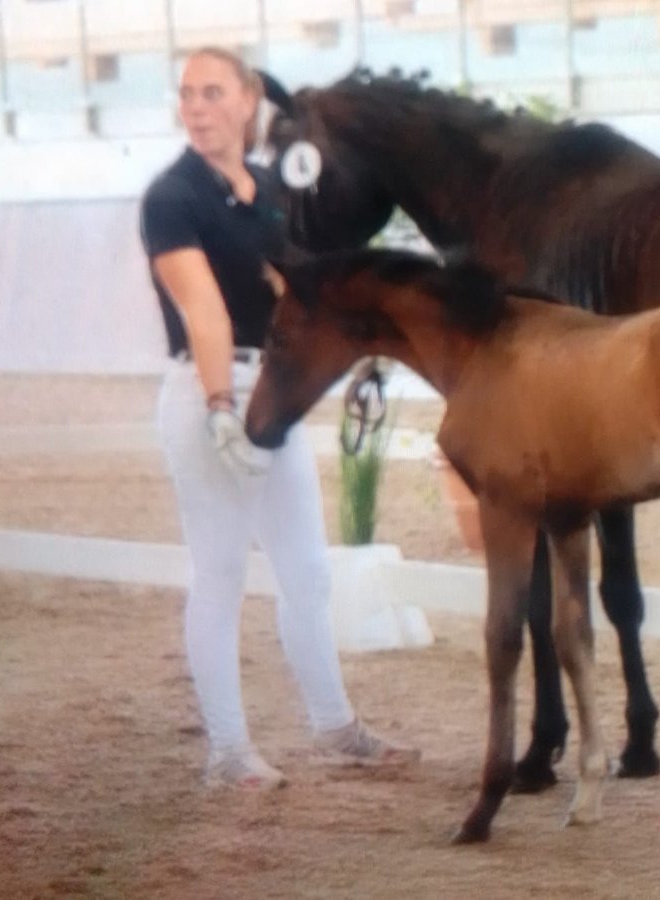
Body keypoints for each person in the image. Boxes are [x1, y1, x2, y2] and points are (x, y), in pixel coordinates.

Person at [139, 46, 418, 788]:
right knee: (221, 573)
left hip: (274, 395)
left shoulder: (267, 188)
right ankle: (229, 751)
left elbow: (295, 288)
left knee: (307, 573)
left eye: (211, 93)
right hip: (214, 398)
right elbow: (203, 310)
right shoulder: (172, 199)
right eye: (187, 94)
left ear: (247, 98)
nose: (196, 107)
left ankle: (333, 726)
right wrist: (221, 410)